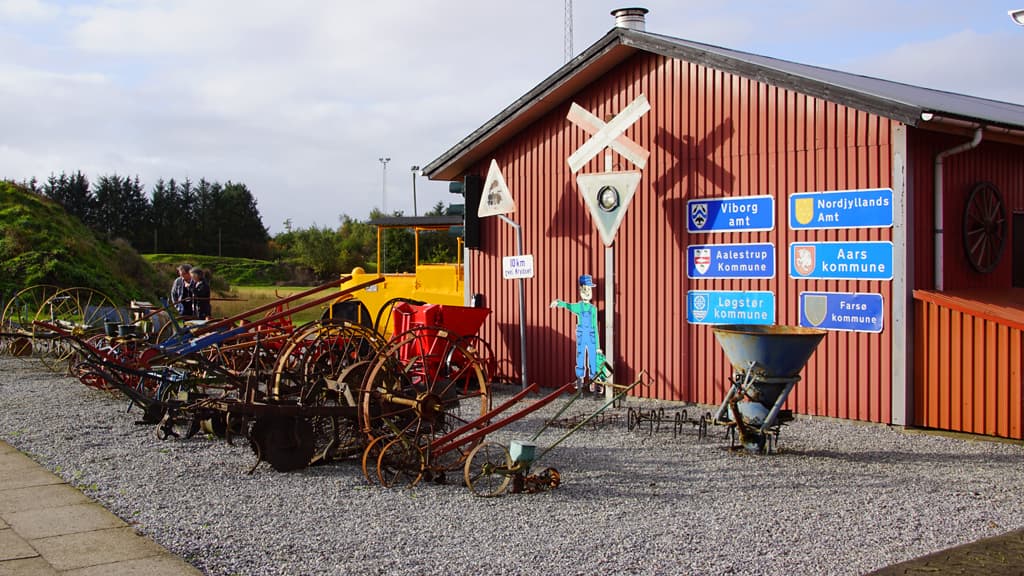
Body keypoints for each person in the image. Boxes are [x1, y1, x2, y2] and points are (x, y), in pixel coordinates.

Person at [550, 273, 604, 395]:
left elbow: (595, 326)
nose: (587, 292)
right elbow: (568, 306)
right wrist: (559, 302)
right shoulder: (578, 307)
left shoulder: (593, 309)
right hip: (582, 335)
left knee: (592, 358)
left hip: (591, 335)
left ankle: (594, 382)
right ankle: (580, 381)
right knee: (580, 357)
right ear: (581, 290)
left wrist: (598, 347)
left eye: (589, 289)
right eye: (585, 289)